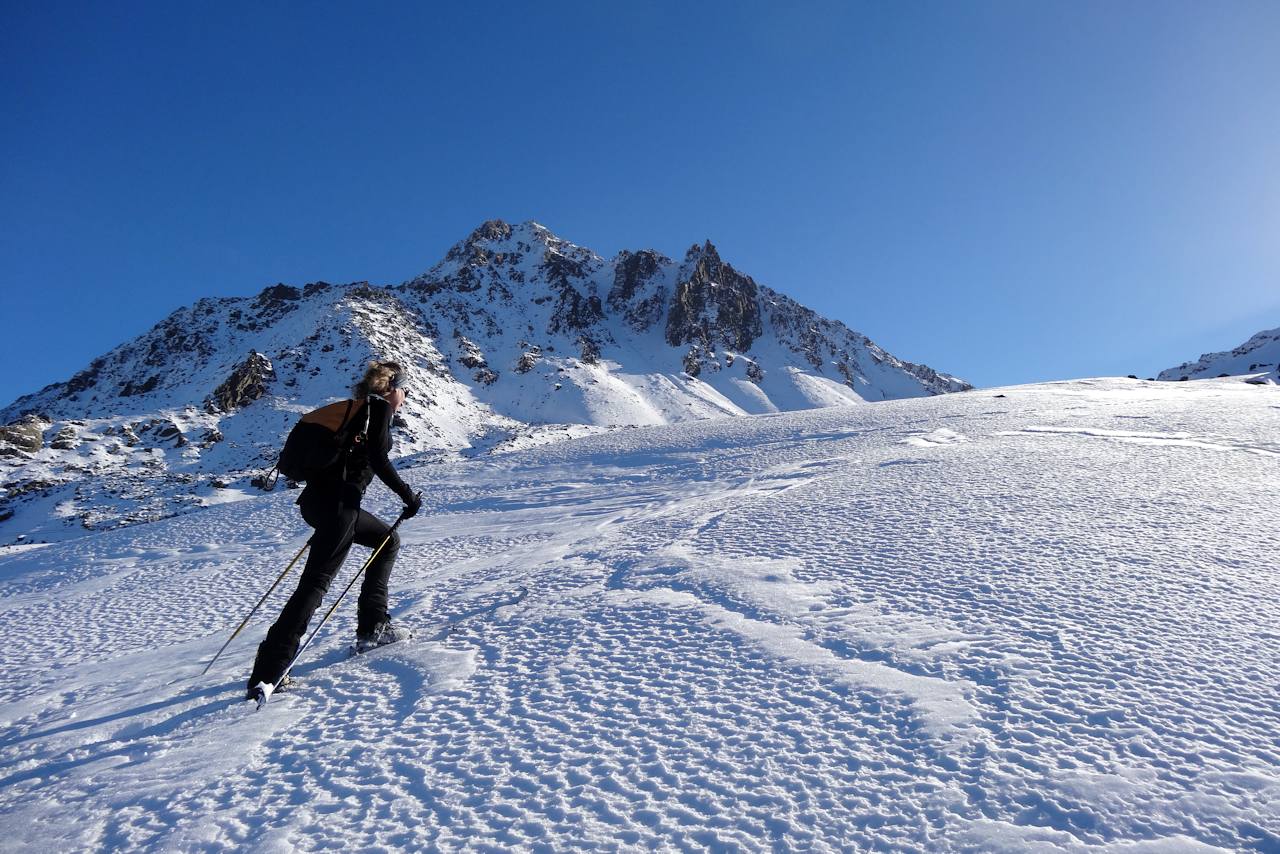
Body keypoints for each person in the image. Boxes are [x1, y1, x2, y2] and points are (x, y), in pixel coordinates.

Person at [247, 360, 422, 699]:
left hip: (320, 504)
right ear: (392, 388)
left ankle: (373, 626)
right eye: (404, 391)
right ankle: (269, 670)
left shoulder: (357, 410)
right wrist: (407, 496)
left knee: (387, 540)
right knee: (315, 586)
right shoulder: (377, 409)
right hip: (339, 507)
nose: (405, 397)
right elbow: (379, 459)